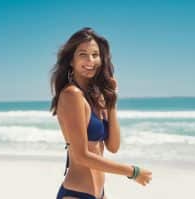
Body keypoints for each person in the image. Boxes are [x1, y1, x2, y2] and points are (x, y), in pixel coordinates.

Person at [50, 27, 152, 199]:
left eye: (95, 54)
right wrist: (132, 172)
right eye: (83, 54)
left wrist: (112, 101)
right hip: (76, 193)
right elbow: (82, 156)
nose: (90, 60)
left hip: (100, 193)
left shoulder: (96, 97)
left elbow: (113, 146)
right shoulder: (71, 95)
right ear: (71, 60)